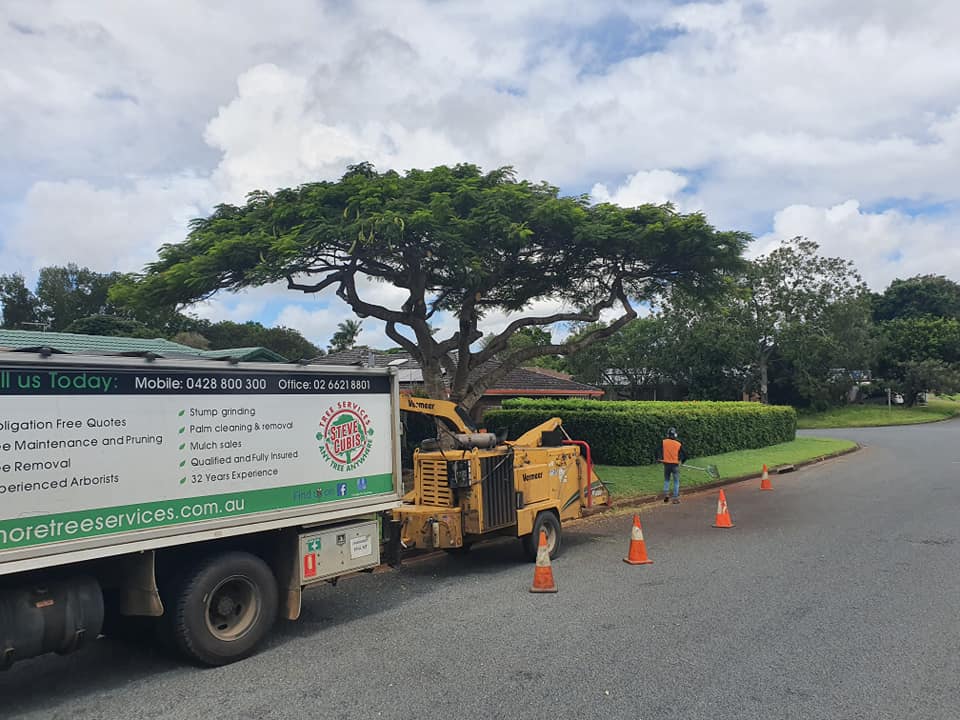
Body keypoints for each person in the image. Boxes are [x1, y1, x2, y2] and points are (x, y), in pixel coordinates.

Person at [661, 427, 686, 504]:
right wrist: (682, 461)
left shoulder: (664, 442)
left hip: (666, 465)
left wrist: (658, 459)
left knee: (667, 480)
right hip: (675, 465)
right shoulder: (678, 444)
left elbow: (656, 451)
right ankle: (675, 498)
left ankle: (666, 495)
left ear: (668, 434)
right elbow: (685, 454)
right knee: (676, 482)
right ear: (675, 435)